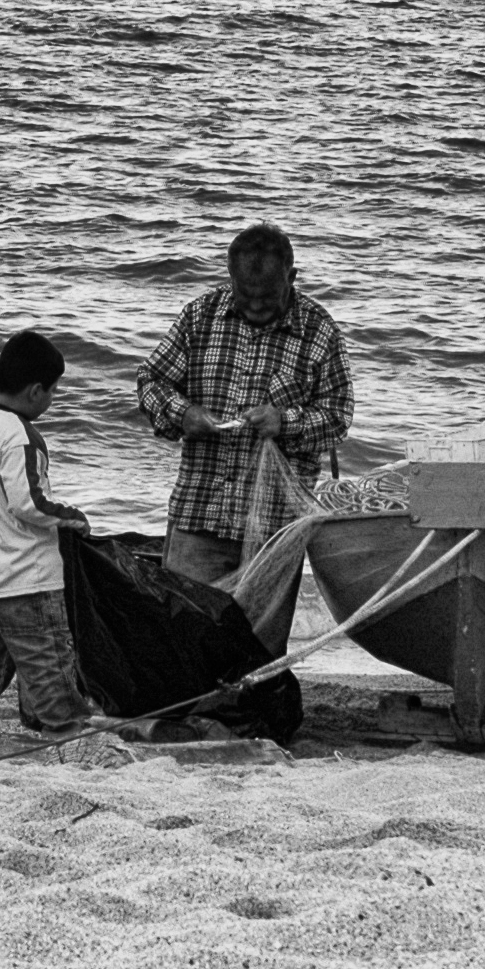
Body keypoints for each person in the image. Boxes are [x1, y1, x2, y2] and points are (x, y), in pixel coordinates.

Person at [134, 222, 353, 650]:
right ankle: (191, 715)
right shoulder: (201, 315)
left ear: (292, 277)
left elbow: (337, 417)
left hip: (274, 527)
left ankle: (251, 716)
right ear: (229, 277)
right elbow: (150, 382)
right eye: (244, 295)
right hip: (200, 511)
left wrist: (284, 423)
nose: (254, 307)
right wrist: (184, 413)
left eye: (267, 298)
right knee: (184, 634)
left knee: (259, 648)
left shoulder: (318, 331)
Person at [0, 329, 93, 741]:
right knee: (47, 664)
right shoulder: (22, 435)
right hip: (27, 580)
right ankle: (69, 730)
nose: (52, 399)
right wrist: (73, 517)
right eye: (53, 391)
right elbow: (31, 503)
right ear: (36, 391)